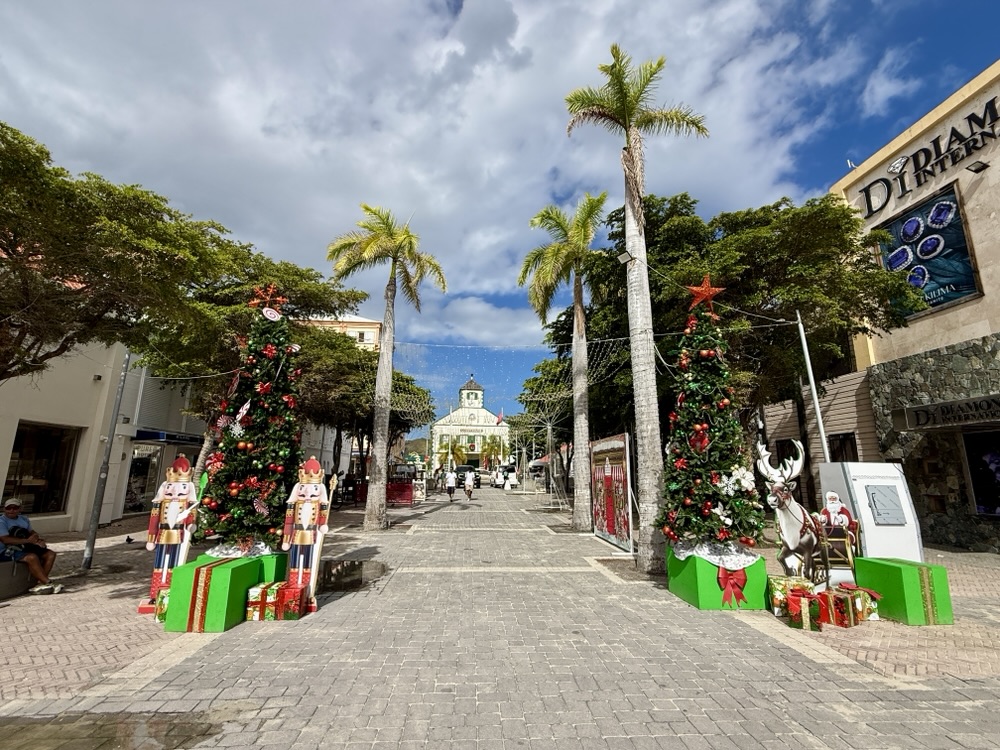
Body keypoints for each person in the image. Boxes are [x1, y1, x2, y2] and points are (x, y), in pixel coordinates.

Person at [0, 498, 61, 594]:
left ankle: (41, 583)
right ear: (4, 509)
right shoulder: (1, 521)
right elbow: (5, 539)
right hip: (6, 550)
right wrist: (27, 540)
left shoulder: (23, 519)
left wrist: (37, 540)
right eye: (9, 508)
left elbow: (32, 532)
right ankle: (48, 582)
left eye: (15, 508)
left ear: (20, 509)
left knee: (50, 554)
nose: (11, 510)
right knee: (31, 557)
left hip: (24, 546)